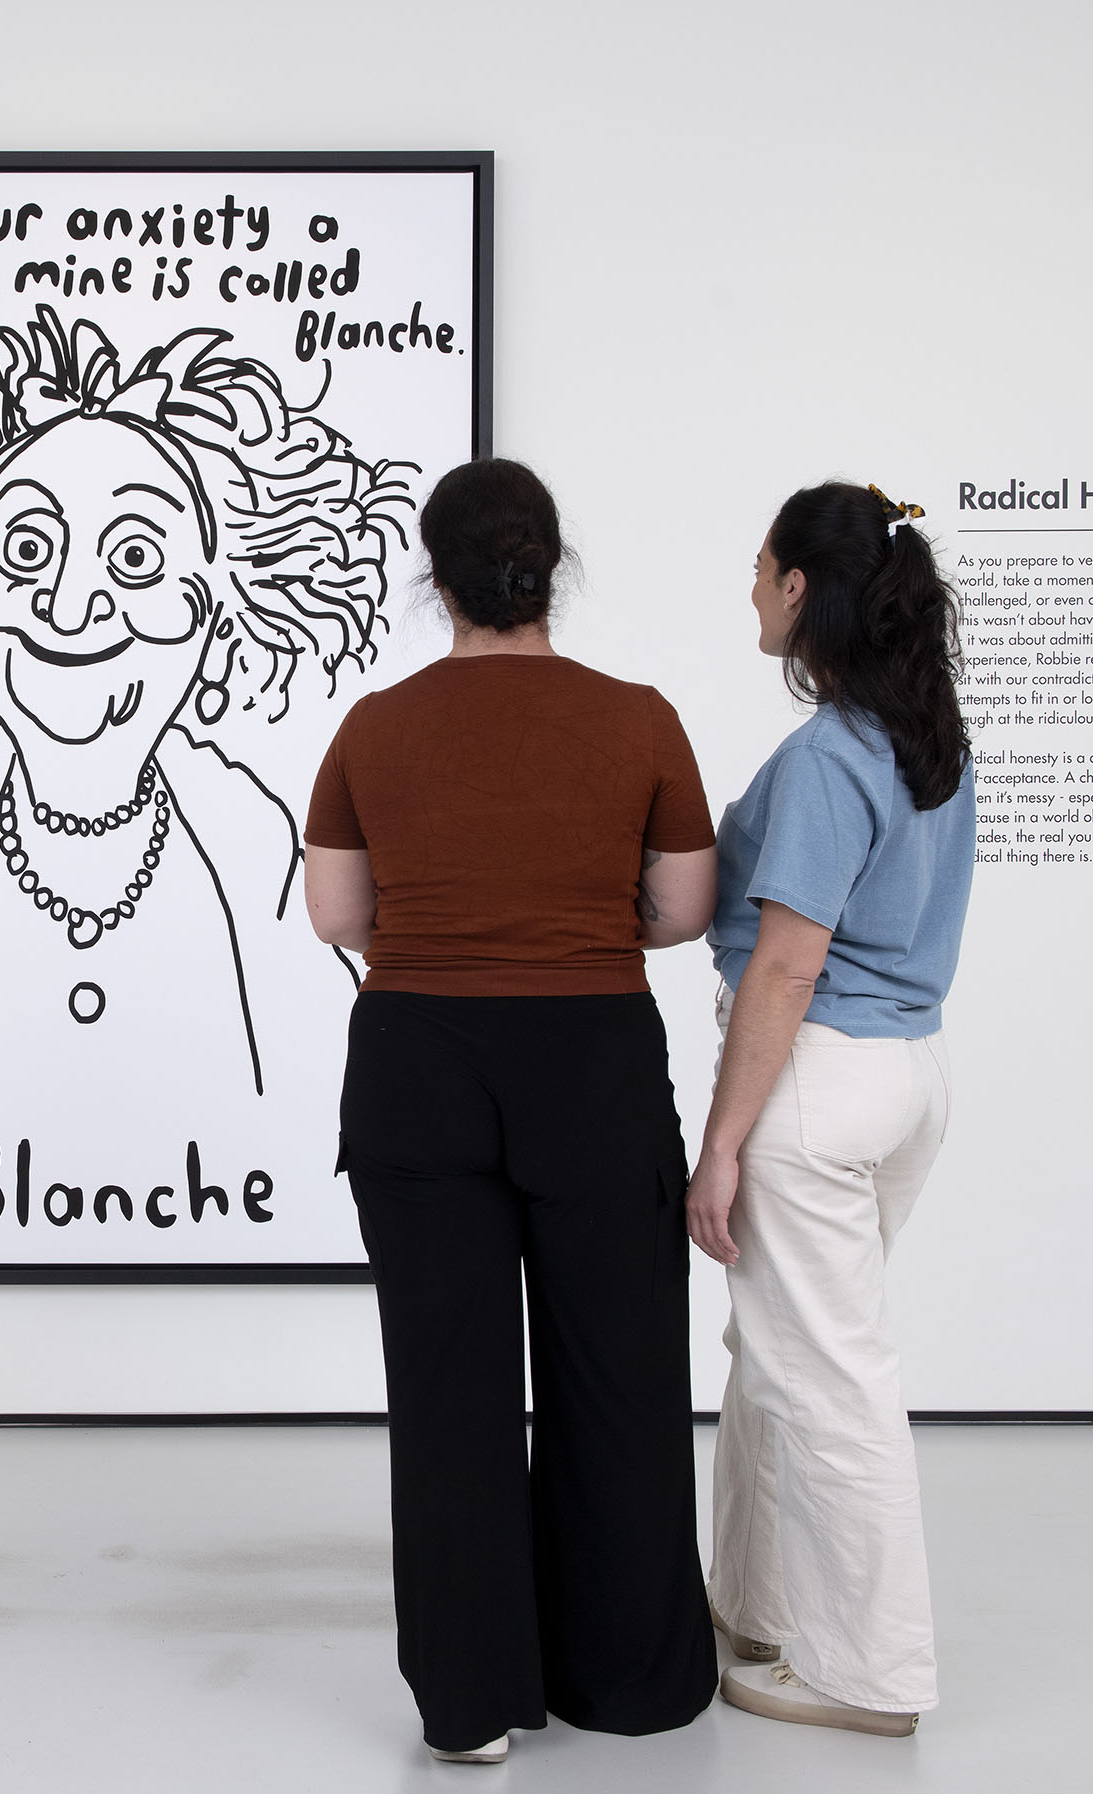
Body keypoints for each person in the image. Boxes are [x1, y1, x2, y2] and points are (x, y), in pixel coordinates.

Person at [305, 458, 721, 1764]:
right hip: (591, 1054)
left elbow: (337, 916)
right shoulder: (639, 720)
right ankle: (626, 1678)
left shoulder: (372, 728)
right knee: (618, 1372)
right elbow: (682, 909)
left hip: (415, 1057)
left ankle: (471, 1702)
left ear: (434, 581)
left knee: (448, 1389)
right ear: (551, 570)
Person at [0, 306, 415, 1103]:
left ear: (224, 619)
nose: (70, 607)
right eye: (26, 548)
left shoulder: (246, 838)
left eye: (136, 556)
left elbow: (330, 1095)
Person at [687, 482, 975, 1738]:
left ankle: (870, 1676)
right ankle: (753, 1607)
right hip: (907, 1076)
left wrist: (720, 1143)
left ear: (800, 588)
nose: (750, 589)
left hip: (819, 1082)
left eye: (760, 569)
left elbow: (785, 968)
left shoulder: (824, 758)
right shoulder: (924, 739)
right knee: (780, 1356)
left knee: (829, 1382)